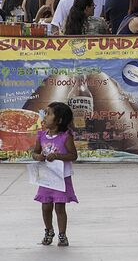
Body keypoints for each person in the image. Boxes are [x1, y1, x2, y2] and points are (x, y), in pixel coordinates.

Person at [32, 102, 78, 247]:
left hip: (61, 178)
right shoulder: (41, 135)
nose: (45, 117)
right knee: (45, 206)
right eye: (45, 113)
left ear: (59, 120)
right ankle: (48, 230)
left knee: (59, 207)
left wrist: (57, 156)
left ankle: (62, 235)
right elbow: (35, 152)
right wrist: (37, 156)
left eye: (49, 114)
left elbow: (73, 155)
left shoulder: (65, 137)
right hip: (46, 178)